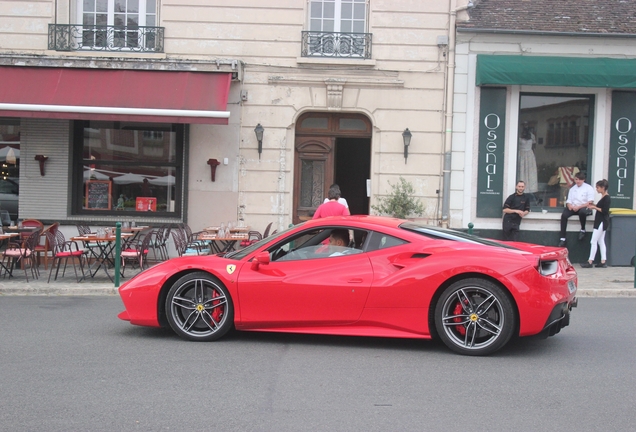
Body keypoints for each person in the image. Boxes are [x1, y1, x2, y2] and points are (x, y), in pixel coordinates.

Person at [558, 172, 595, 247]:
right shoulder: (572, 189)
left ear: (583, 180)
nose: (578, 181)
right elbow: (569, 200)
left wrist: (579, 207)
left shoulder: (589, 188)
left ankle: (583, 229)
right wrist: (569, 206)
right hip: (573, 207)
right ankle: (563, 238)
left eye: (580, 180)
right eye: (576, 179)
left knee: (582, 212)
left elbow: (590, 202)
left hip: (584, 207)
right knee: (564, 215)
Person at [581, 179, 611, 268]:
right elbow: (601, 208)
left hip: (601, 222)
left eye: (598, 187)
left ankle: (590, 261)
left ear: (603, 188)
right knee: (601, 241)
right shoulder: (604, 197)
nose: (597, 189)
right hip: (602, 221)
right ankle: (603, 260)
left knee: (593, 241)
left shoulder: (607, 198)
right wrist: (594, 205)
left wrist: (594, 207)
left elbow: (605, 211)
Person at [517, 127, 538, 195]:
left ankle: (530, 188)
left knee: (530, 172)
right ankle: (521, 188)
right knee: (522, 171)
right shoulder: (518, 135)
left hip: (529, 155)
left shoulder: (532, 136)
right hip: (522, 154)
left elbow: (534, 146)